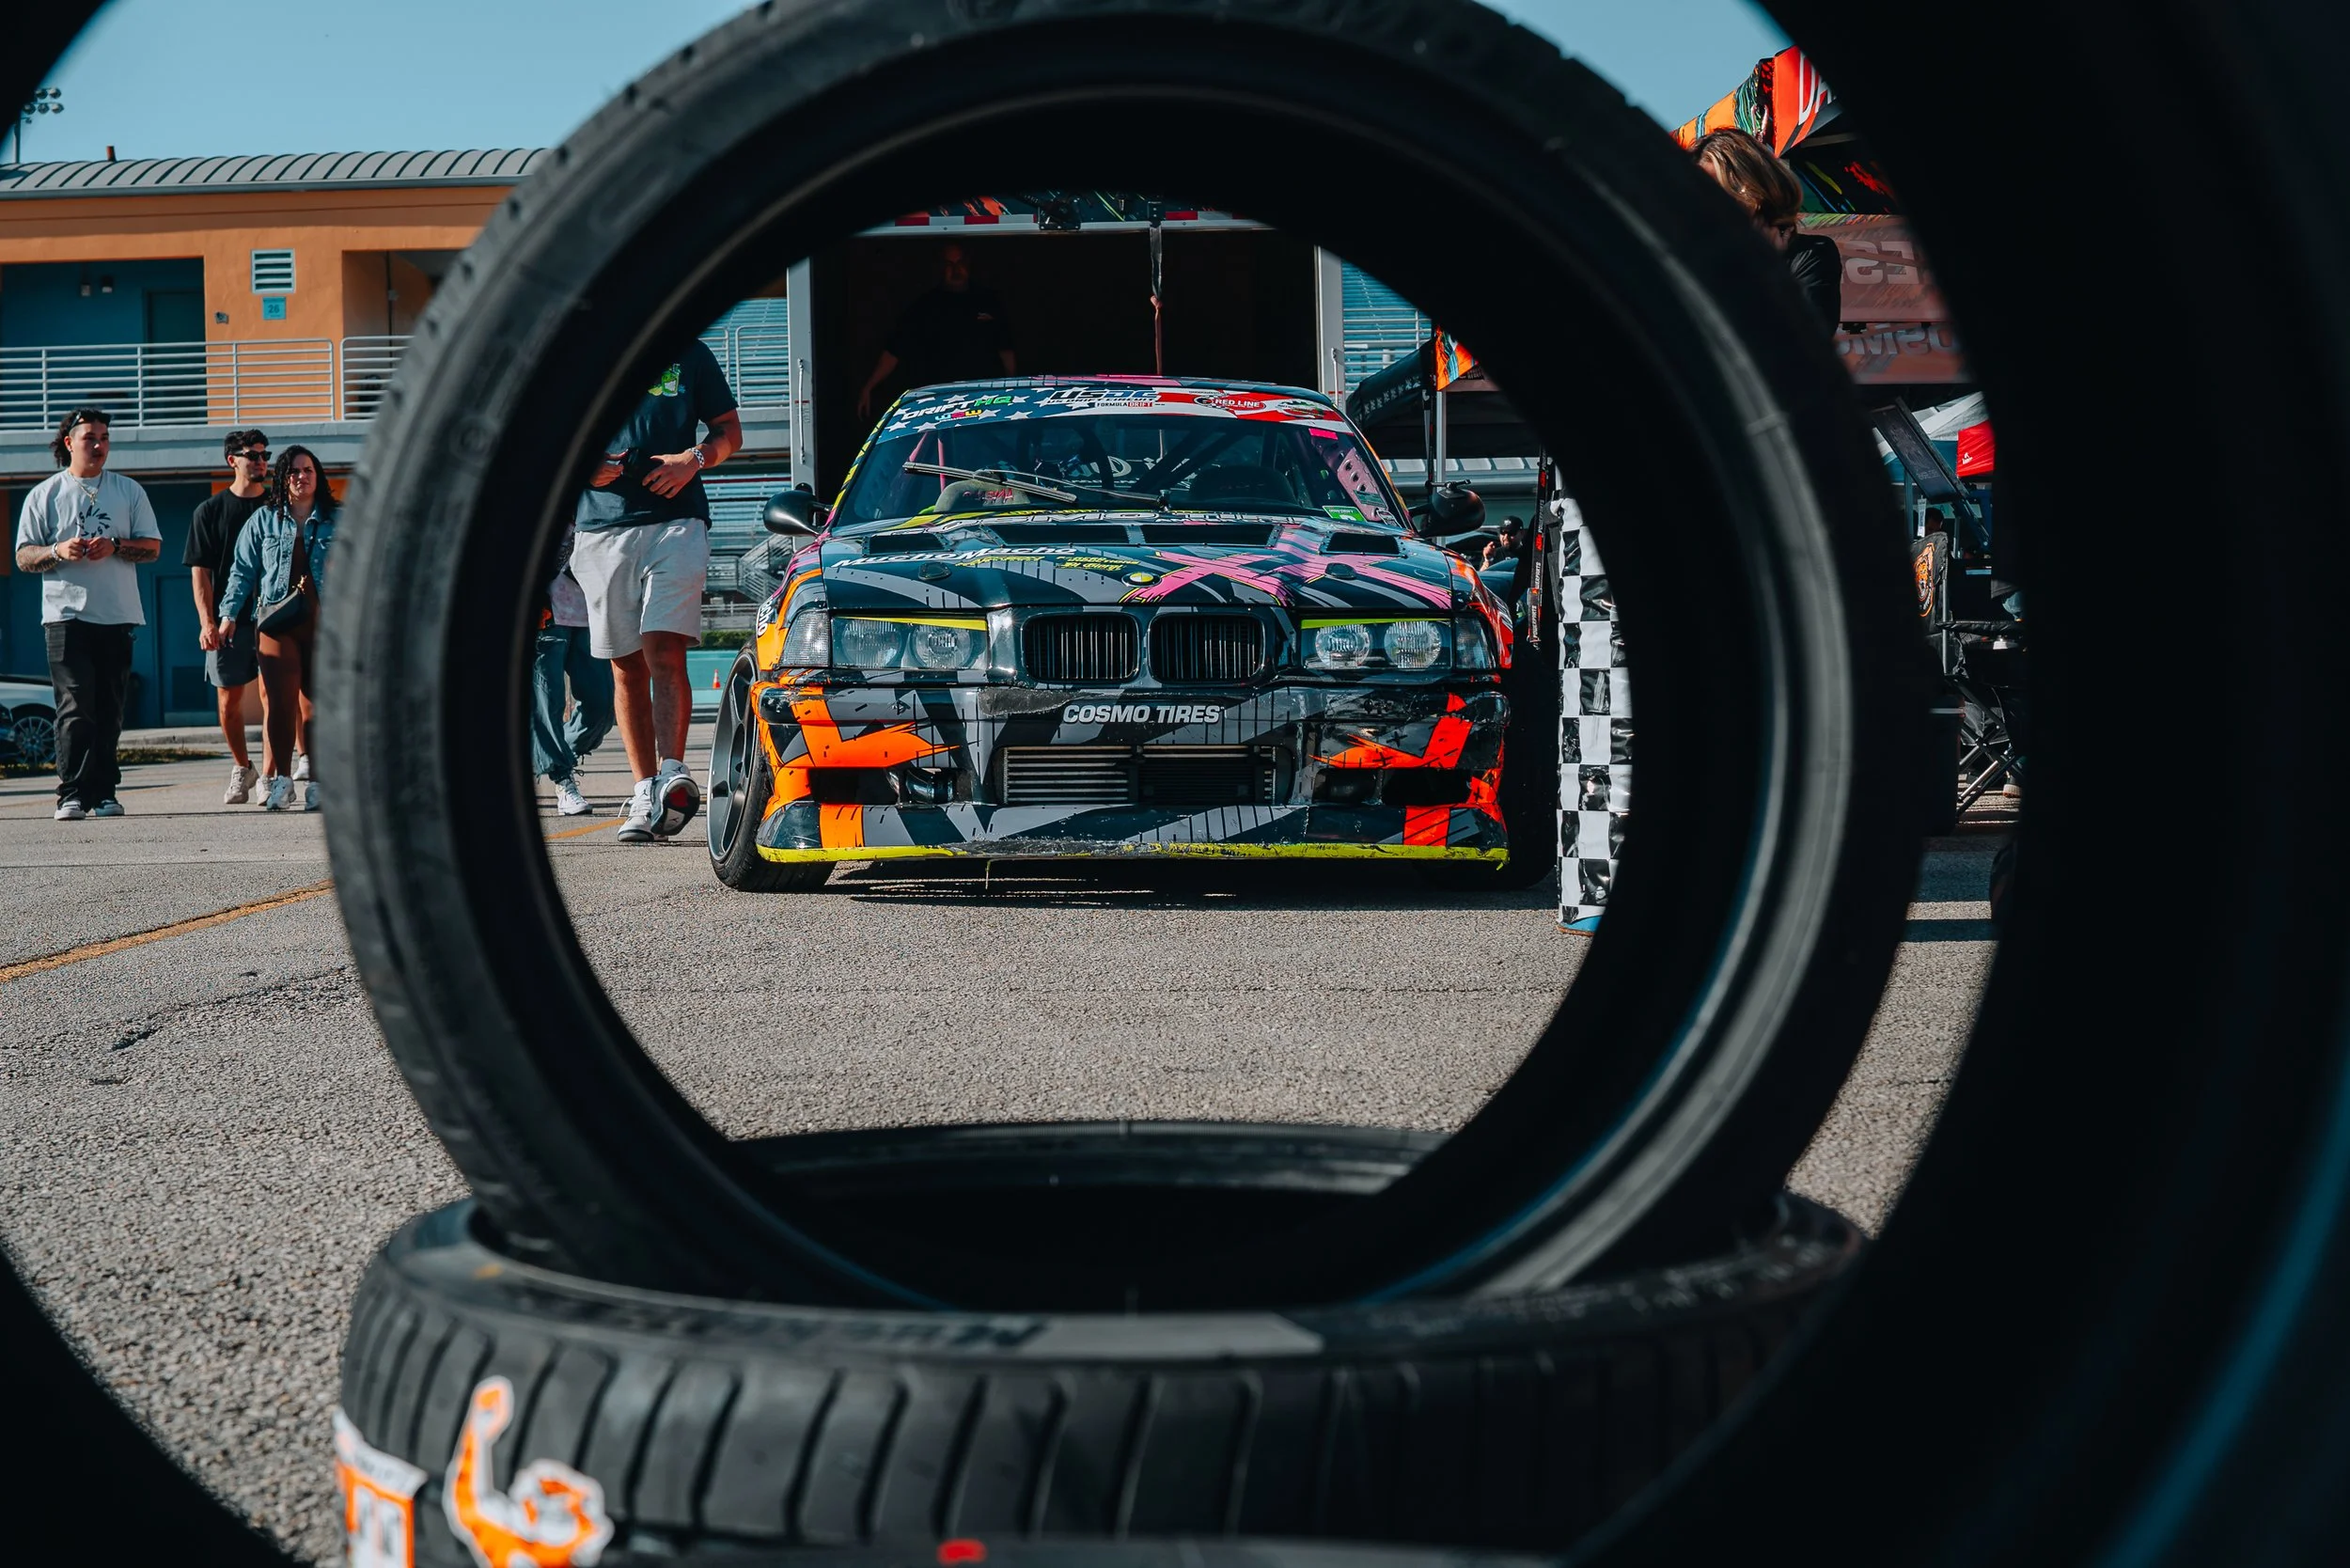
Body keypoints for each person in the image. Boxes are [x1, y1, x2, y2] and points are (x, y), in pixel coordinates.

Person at [572, 338, 744, 842]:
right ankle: (645, 788)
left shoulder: (688, 352)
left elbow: (730, 432)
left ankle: (672, 772)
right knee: (626, 666)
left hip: (677, 521)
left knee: (665, 648)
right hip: (600, 528)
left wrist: (695, 458)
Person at [13, 408, 162, 821]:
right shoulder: (45, 494)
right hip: (65, 615)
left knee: (110, 706)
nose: (98, 445)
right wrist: (58, 550)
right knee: (76, 704)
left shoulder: (128, 491)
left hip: (116, 614)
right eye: (89, 438)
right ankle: (72, 794)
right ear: (69, 443)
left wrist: (115, 545)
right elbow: (23, 557)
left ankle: (105, 792)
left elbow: (153, 548)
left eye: (104, 438)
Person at [218, 447, 336, 812]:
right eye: (294, 472)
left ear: (318, 476)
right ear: (283, 479)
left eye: (308, 470)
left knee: (318, 705)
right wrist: (228, 615)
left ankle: (319, 782)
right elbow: (241, 572)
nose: (302, 476)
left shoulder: (342, 519)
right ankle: (281, 782)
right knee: (281, 704)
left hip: (326, 626)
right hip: (277, 625)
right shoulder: (263, 520)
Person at [185, 429, 270, 804]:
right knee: (228, 701)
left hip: (272, 617)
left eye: (265, 455)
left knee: (273, 696)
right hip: (226, 621)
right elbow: (200, 572)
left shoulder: (276, 507)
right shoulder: (210, 511)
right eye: (252, 454)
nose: (261, 461)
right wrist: (207, 622)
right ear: (231, 460)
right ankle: (243, 767)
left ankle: (272, 772)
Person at [1692, 128, 1842, 335]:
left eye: (1722, 192)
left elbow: (1808, 342)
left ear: (1753, 189)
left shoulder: (1810, 253)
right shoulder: (1697, 259)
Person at [856, 243, 1017, 417]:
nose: (956, 269)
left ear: (968, 263)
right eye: (949, 264)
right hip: (940, 402)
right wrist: (869, 387)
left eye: (960, 262)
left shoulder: (988, 302)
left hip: (985, 398)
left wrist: (1012, 390)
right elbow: (895, 349)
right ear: (940, 267)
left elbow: (1006, 350)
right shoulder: (925, 307)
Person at [532, 524, 614, 816]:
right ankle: (561, 776)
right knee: (547, 704)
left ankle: (553, 752)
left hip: (590, 613)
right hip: (548, 615)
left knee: (603, 704)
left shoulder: (597, 500)